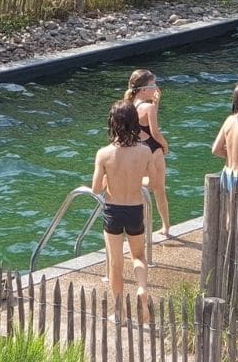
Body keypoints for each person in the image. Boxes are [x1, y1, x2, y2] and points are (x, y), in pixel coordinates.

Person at [92, 99, 154, 321]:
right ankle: (142, 288)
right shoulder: (145, 151)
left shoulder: (104, 154)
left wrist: (110, 178)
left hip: (113, 210)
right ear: (134, 123)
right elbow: (152, 180)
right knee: (138, 256)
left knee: (116, 264)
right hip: (135, 207)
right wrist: (137, 180)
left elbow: (96, 188)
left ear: (113, 123)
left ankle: (119, 314)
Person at [123, 69, 171, 237]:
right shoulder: (148, 107)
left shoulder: (129, 104)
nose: (156, 88)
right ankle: (165, 226)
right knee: (158, 189)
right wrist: (165, 146)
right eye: (153, 85)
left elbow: (143, 124)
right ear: (144, 89)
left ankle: (140, 229)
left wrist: (156, 103)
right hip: (153, 148)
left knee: (144, 193)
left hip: (139, 149)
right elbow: (155, 132)